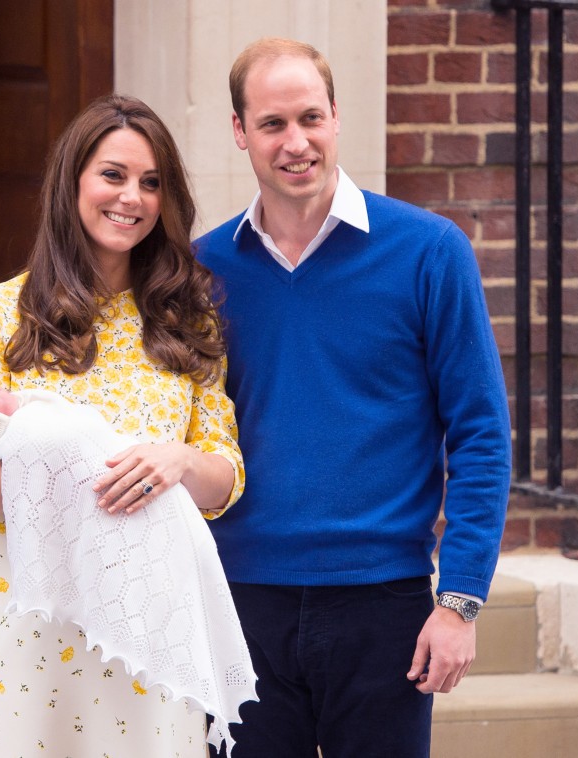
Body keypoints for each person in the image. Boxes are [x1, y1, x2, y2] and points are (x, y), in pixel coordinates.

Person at [194, 38, 512, 758]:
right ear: (240, 131)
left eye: (310, 117)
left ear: (337, 116)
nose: (295, 142)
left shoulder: (429, 252)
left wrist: (459, 601)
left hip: (385, 605)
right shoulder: (203, 270)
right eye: (272, 124)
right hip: (238, 601)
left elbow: (481, 434)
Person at [0, 94, 246, 758]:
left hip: (156, 639)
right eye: (113, 174)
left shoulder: (188, 320)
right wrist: (95, 466)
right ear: (72, 181)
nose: (131, 197)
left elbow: (223, 480)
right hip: (37, 637)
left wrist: (179, 463)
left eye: (152, 182)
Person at [0, 385, 257, 751]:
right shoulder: (4, 326)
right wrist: (82, 463)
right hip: (42, 626)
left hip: (150, 624)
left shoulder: (193, 332)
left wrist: (182, 459)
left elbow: (225, 485)